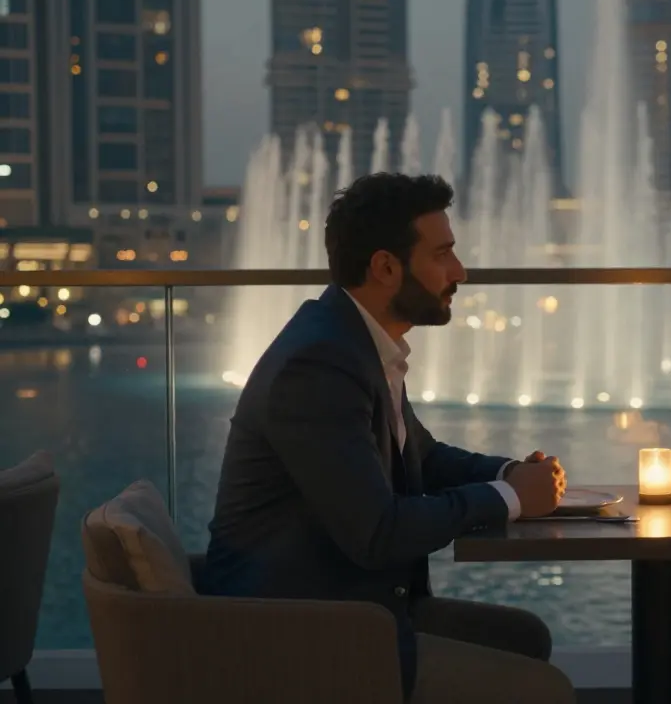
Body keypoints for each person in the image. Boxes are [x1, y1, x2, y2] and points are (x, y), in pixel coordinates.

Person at [201, 173, 576, 703]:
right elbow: (377, 532)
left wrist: (508, 473)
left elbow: (421, 454)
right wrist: (511, 499)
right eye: (443, 254)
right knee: (543, 691)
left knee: (525, 637)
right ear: (385, 267)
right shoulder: (319, 364)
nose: (460, 272)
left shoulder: (354, 343)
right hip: (296, 636)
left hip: (352, 608)